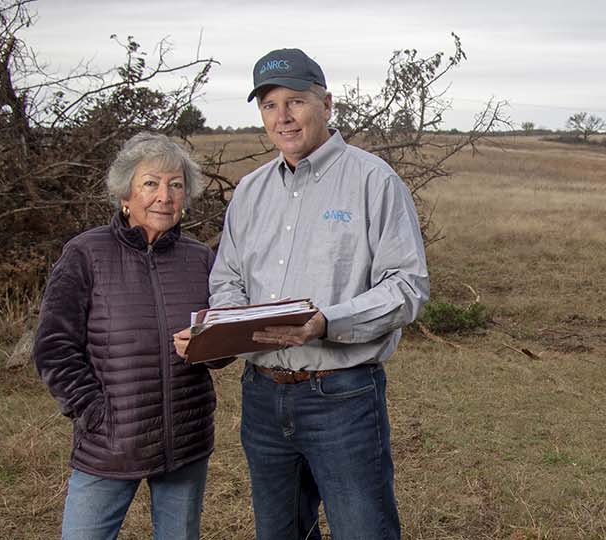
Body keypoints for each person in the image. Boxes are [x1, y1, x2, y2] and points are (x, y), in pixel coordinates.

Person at [203, 48, 429, 540]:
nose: (282, 118)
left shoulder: (373, 181)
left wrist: (326, 322)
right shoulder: (250, 191)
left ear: (327, 103)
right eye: (268, 105)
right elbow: (226, 278)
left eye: (295, 102)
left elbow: (407, 287)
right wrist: (226, 327)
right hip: (262, 397)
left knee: (363, 530)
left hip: (342, 396)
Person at [34, 132, 230, 540]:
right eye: (151, 184)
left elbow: (220, 347)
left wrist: (211, 346)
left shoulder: (200, 259)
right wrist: (93, 414)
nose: (165, 195)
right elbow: (54, 346)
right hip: (109, 444)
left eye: (176, 185)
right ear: (125, 194)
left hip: (185, 442)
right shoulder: (86, 254)